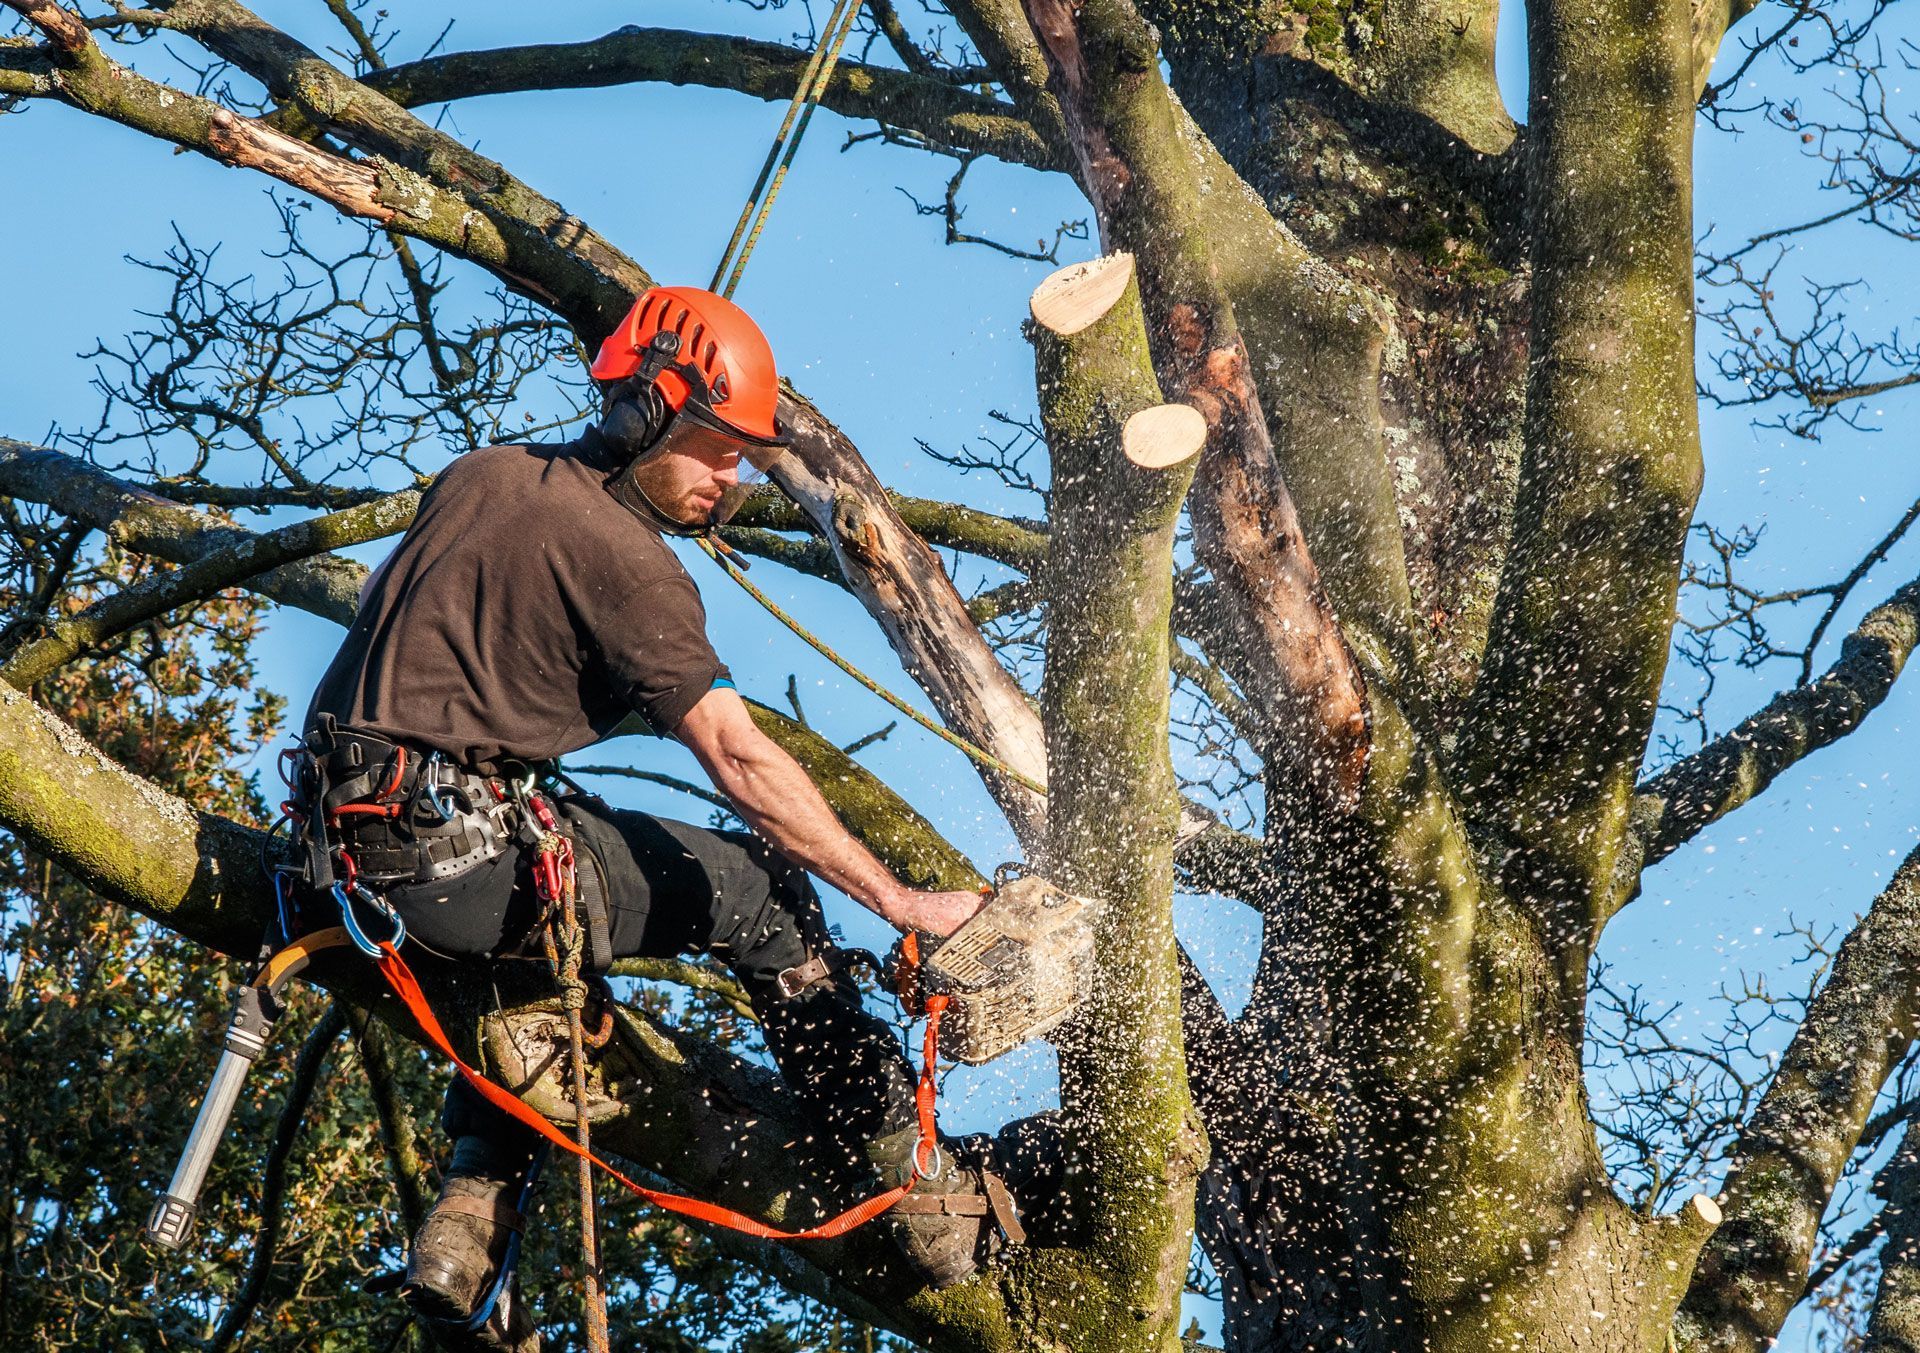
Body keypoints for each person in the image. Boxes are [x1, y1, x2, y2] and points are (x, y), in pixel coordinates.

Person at [297, 287, 1018, 1346]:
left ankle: (467, 1212)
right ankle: (915, 1187)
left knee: (557, 870)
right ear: (644, 416)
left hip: (341, 856)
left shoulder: (479, 478)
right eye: (717, 452)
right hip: (452, 866)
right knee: (759, 889)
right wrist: (900, 900)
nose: (730, 481)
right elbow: (736, 753)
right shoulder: (630, 565)